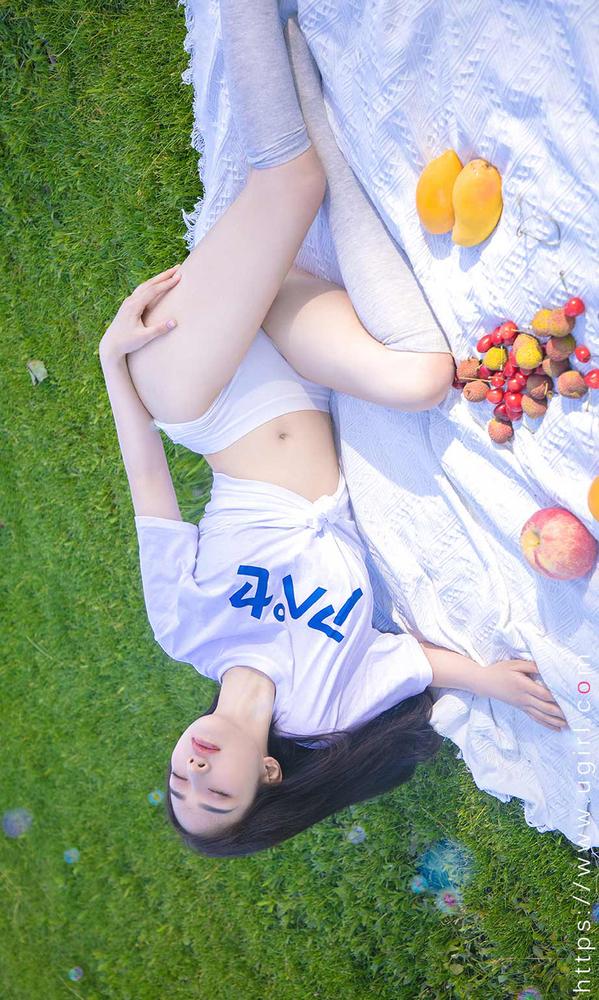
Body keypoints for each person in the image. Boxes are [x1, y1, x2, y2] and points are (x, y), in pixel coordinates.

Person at [98, 4, 569, 857]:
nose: (194, 770)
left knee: (289, 185)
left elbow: (149, 488)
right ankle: (309, 105)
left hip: (199, 393)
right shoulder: (328, 705)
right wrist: (491, 682)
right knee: (420, 378)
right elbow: (417, 662)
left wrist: (110, 362)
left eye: (178, 781)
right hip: (296, 378)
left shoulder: (185, 630)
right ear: (267, 776)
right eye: (217, 792)